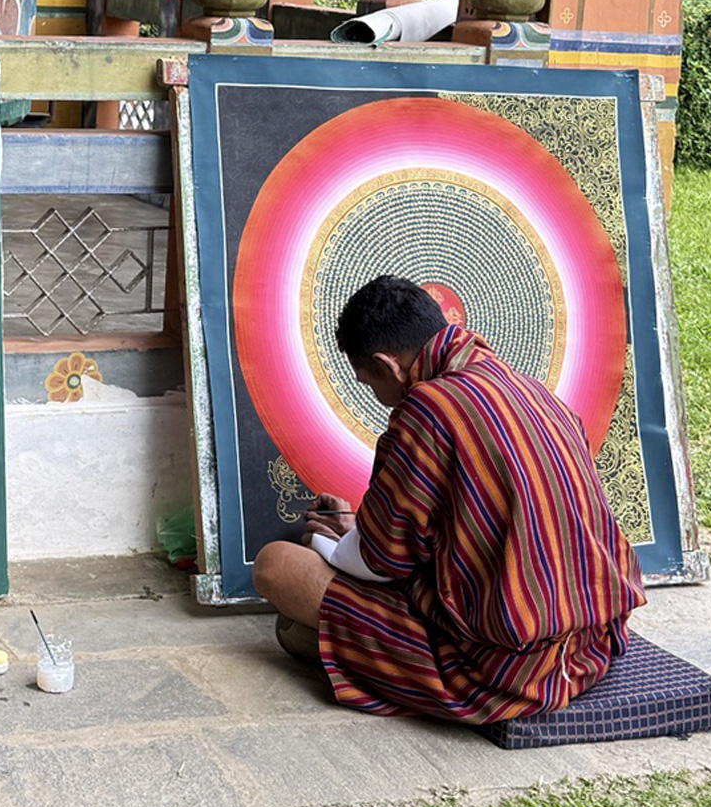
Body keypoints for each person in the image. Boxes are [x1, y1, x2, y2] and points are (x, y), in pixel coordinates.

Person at [252, 276, 646, 723]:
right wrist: (358, 529)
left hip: (502, 669)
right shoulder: (533, 391)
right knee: (303, 617)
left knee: (278, 566)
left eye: (369, 383)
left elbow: (385, 564)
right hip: (589, 644)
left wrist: (340, 546)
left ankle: (342, 651)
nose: (378, 398)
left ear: (388, 365)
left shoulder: (428, 408)